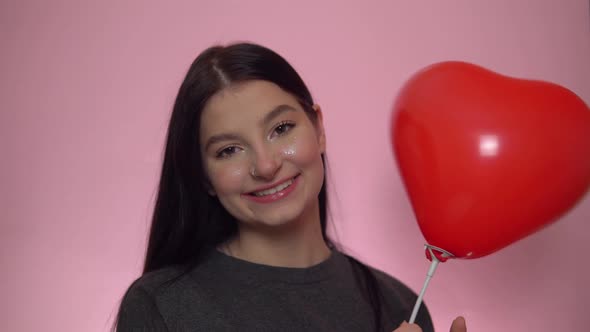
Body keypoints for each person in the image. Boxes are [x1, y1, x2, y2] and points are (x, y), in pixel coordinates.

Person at [114, 42, 466, 332]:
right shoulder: (161, 306)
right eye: (229, 150)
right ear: (204, 176)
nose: (266, 166)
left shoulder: (402, 306)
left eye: (281, 129)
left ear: (319, 129)